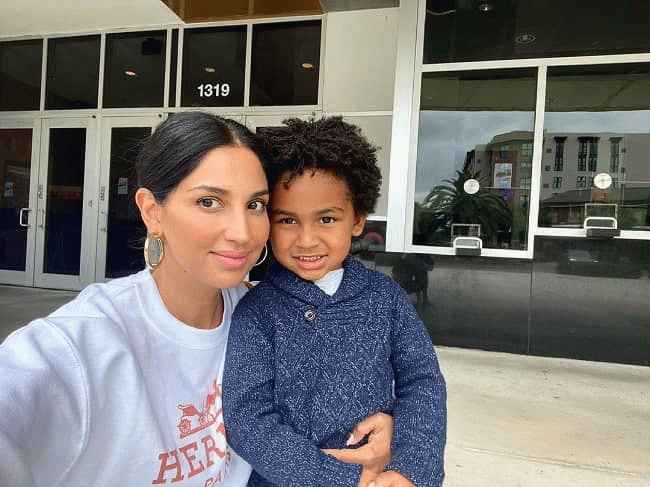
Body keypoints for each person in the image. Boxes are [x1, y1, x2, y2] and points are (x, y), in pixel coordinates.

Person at [0, 112, 393, 487]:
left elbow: (338, 395)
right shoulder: (77, 346)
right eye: (209, 201)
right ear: (152, 211)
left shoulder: (270, 312)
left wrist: (385, 425)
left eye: (255, 205)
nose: (241, 232)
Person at [222, 117, 447, 487]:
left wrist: (410, 468)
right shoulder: (257, 312)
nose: (307, 240)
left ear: (357, 219)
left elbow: (422, 382)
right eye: (288, 220)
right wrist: (336, 477)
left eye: (326, 219)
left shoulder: (385, 298)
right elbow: (247, 418)